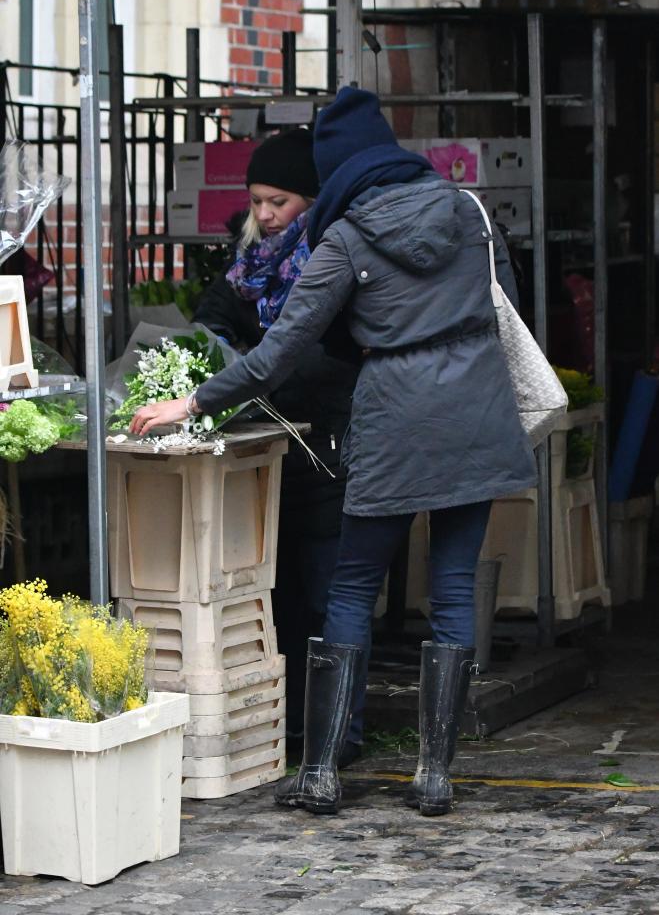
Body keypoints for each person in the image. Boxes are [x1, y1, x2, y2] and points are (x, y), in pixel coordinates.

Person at [130, 87, 538, 818]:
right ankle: (434, 774)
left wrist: (190, 402)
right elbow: (504, 309)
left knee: (351, 586)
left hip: (391, 421)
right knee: (450, 587)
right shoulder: (471, 215)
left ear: (337, 167)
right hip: (476, 416)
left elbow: (278, 353)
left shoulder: (343, 239)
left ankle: (320, 771)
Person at [193, 129, 361, 760]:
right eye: (257, 200)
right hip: (263, 456)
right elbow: (210, 318)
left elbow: (326, 357)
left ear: (310, 201)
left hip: (327, 450)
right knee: (278, 599)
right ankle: (287, 730)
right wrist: (222, 354)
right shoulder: (247, 266)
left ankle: (339, 736)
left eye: (279, 202)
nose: (263, 215)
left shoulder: (332, 258)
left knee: (328, 599)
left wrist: (255, 368)